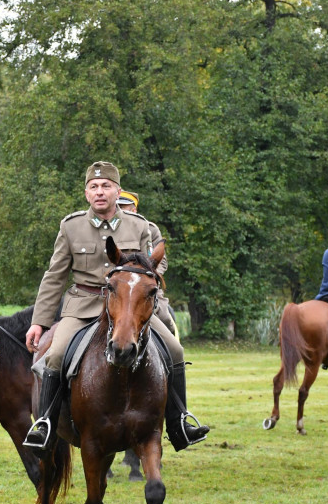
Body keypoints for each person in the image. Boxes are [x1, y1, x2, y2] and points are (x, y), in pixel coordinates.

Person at [23, 161, 209, 451]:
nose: (100, 192)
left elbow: (151, 273)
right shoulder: (70, 227)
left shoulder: (140, 226)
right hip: (84, 305)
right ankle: (45, 423)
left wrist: (156, 309)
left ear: (117, 191)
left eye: (106, 186)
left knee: (175, 350)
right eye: (94, 187)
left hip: (129, 309)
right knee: (56, 354)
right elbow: (55, 275)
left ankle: (179, 421)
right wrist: (39, 321)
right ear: (86, 193)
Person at [115, 190, 178, 335]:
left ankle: (173, 355)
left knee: (165, 319)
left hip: (143, 286)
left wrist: (149, 276)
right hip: (115, 286)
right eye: (117, 207)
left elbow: (160, 262)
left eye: (123, 207)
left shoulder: (150, 230)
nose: (120, 211)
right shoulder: (107, 228)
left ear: (134, 210)